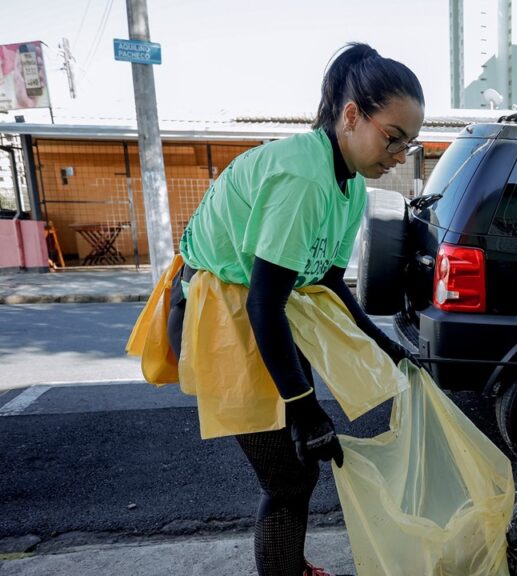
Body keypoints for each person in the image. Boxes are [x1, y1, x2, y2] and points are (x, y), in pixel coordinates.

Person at [165, 43, 424, 576]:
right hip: (221, 315)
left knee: (300, 464)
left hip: (262, 315)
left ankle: (288, 561)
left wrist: (388, 347)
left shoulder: (349, 183)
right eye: (394, 139)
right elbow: (264, 302)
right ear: (351, 116)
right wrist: (307, 410)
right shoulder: (303, 177)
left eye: (409, 145)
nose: (399, 155)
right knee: (287, 477)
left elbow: (326, 278)